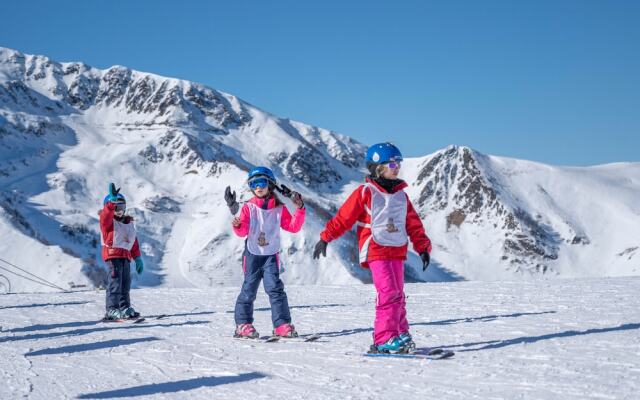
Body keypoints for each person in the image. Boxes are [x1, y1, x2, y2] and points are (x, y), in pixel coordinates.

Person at [312, 143, 432, 353]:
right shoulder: (365, 192)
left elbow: (413, 223)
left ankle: (399, 332)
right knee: (388, 294)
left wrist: (422, 247)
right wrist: (325, 238)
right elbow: (344, 218)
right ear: (378, 167)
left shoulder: (401, 196)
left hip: (396, 249)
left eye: (399, 163)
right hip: (375, 249)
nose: (397, 167)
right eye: (392, 163)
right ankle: (384, 339)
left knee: (398, 294)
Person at [225, 166, 306, 338]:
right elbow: (242, 232)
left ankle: (282, 325)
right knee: (249, 290)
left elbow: (293, 227)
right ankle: (243, 324)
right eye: (253, 184)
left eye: (261, 182)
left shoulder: (279, 208)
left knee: (275, 289)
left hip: (270, 255)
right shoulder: (248, 208)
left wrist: (299, 208)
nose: (258, 187)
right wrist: (237, 224)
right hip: (252, 255)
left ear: (270, 184)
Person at [99, 183, 144, 320]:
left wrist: (137, 258)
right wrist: (110, 205)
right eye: (116, 208)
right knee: (115, 283)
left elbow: (133, 242)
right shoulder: (108, 223)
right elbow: (105, 216)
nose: (119, 211)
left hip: (125, 257)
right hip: (113, 256)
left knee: (125, 283)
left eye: (122, 208)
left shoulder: (128, 223)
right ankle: (111, 309)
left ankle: (124, 308)